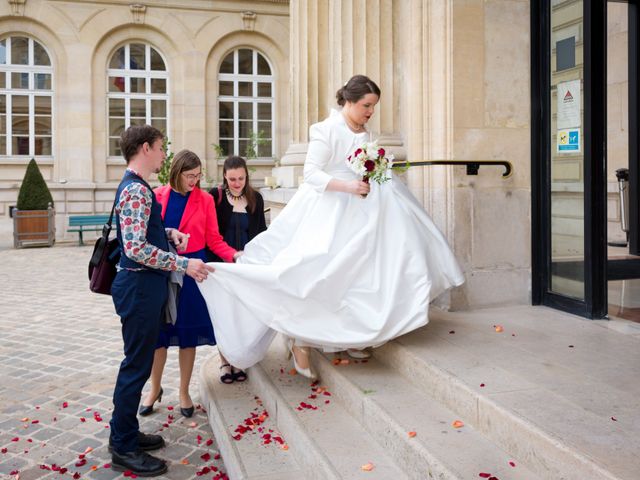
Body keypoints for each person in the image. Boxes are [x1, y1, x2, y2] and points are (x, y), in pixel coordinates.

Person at [197, 75, 465, 380]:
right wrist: (347, 186)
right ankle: (302, 340)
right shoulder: (326, 130)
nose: (370, 112)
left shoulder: (364, 131)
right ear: (349, 101)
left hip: (367, 206)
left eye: (374, 106)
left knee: (364, 271)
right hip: (331, 206)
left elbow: (364, 163)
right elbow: (311, 173)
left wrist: (375, 170)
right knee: (322, 270)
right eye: (366, 105)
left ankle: (354, 336)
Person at [109, 125, 214, 477]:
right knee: (135, 367)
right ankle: (122, 446)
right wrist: (185, 263)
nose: (162, 155)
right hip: (139, 289)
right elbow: (136, 249)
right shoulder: (138, 190)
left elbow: (137, 235)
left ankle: (127, 433)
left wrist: (169, 234)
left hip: (142, 288)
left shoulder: (137, 187)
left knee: (136, 364)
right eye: (159, 148)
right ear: (144, 148)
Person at [138, 150, 240, 419]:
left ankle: (184, 391)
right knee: (158, 337)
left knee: (187, 337)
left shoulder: (205, 200)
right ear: (176, 172)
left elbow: (213, 240)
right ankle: (154, 389)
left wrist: (234, 255)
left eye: (198, 175)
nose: (195, 180)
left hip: (193, 275)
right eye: (190, 176)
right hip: (162, 273)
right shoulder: (157, 195)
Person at [208, 155, 267, 383]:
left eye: (241, 178)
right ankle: (225, 362)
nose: (237, 183)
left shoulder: (256, 199)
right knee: (224, 315)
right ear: (224, 176)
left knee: (243, 315)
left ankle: (239, 361)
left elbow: (261, 233)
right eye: (232, 179)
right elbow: (211, 233)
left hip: (246, 267)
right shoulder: (216, 197)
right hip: (222, 266)